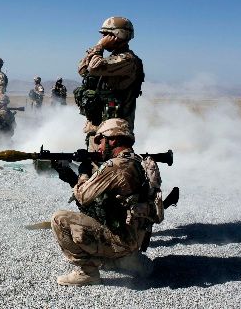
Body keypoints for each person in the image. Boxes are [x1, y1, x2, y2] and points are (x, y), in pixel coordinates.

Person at [50, 118, 160, 286]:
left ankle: (88, 273)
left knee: (59, 219)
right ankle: (126, 260)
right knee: (97, 208)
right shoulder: (139, 162)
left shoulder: (115, 166)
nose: (99, 147)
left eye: (100, 141)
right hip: (136, 237)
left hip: (121, 240)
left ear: (113, 139)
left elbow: (82, 197)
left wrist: (82, 172)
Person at [76, 16, 144, 149]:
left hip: (114, 135)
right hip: (99, 129)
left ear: (119, 35)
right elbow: (83, 70)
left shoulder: (128, 60)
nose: (102, 37)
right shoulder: (110, 58)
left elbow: (94, 68)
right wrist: (97, 48)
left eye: (107, 34)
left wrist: (100, 46)